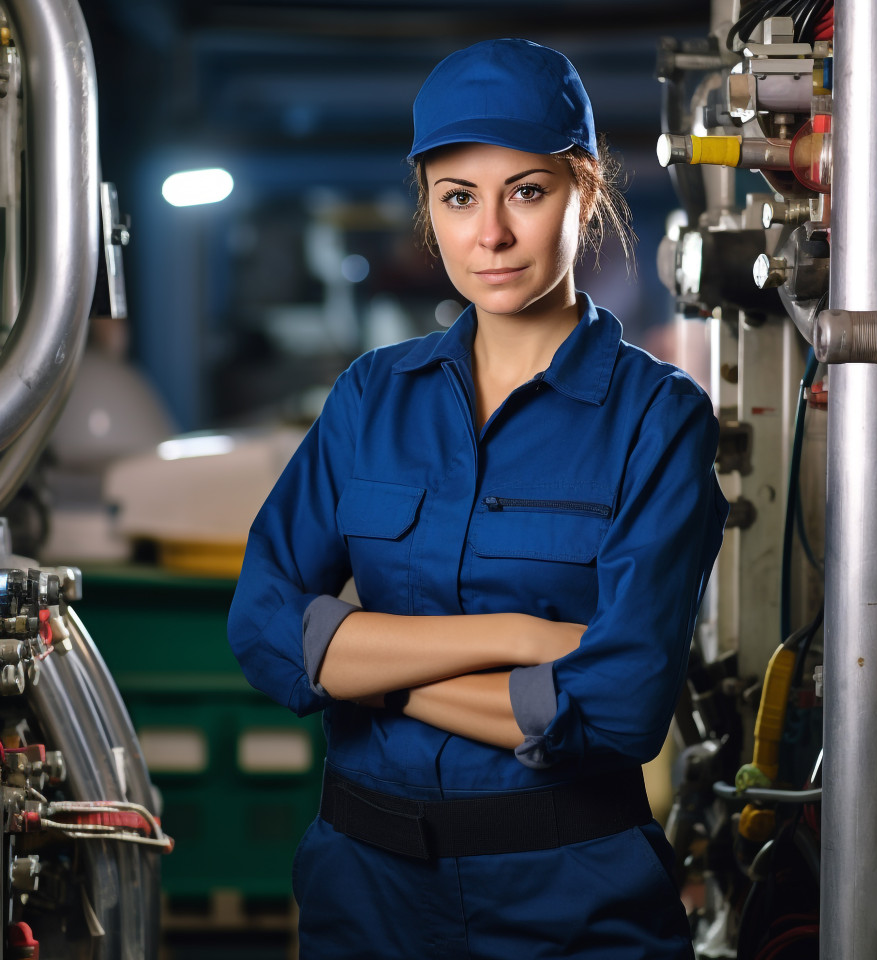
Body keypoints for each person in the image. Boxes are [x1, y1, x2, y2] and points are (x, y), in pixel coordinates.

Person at [228, 37, 727, 960]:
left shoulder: (658, 421)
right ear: (429, 206)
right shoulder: (373, 398)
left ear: (584, 187)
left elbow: (620, 707)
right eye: (459, 198)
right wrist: (518, 643)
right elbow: (260, 626)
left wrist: (358, 663)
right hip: (364, 891)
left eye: (526, 193)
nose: (489, 236)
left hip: (572, 900)